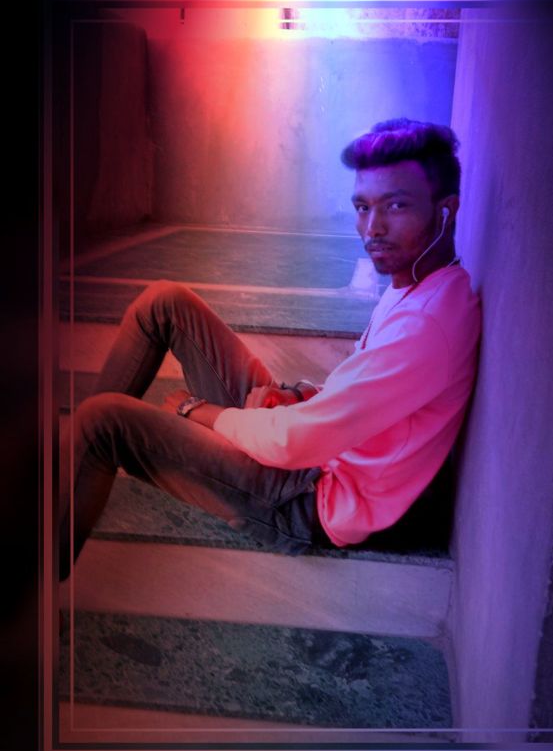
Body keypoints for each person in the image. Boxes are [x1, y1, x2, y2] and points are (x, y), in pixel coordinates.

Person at [58, 118, 481, 580]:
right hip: (318, 453)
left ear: (446, 210)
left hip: (313, 500)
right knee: (164, 303)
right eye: (363, 207)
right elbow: (359, 395)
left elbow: (291, 442)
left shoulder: (425, 324)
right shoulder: (422, 284)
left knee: (103, 421)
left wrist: (198, 412)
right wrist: (297, 395)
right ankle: (70, 468)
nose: (373, 228)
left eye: (396, 205)